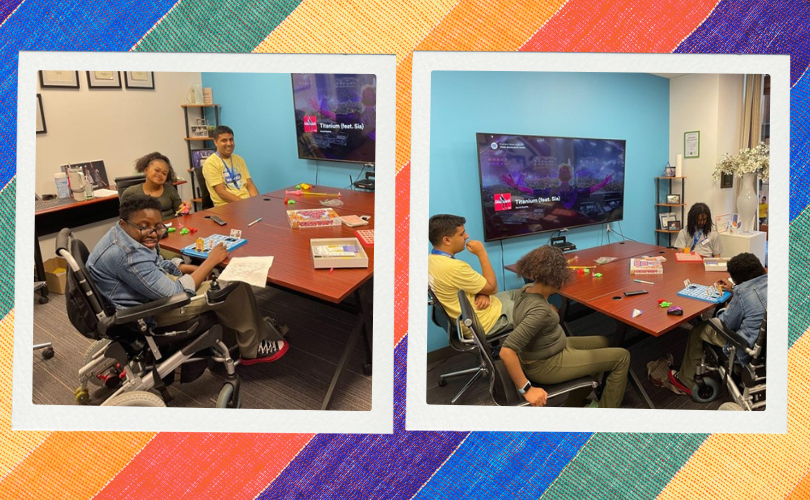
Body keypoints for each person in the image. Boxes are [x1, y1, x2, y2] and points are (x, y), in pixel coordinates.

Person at [87, 195, 287, 365]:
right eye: (144, 226)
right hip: (146, 313)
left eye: (157, 226)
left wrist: (194, 268)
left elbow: (157, 262)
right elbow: (176, 293)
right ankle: (251, 349)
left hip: (141, 295)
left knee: (221, 281)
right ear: (125, 223)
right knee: (233, 287)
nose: (153, 232)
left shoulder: (122, 233)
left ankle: (257, 329)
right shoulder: (127, 254)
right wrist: (209, 262)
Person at [500, 245, 630, 408]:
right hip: (545, 364)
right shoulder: (539, 311)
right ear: (558, 279)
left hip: (551, 347)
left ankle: (577, 402)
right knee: (622, 357)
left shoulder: (528, 289)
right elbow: (506, 351)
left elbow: (538, 311)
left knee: (602, 341)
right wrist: (527, 389)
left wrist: (549, 309)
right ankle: (604, 417)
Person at [668, 252, 767, 395]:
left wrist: (724, 308)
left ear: (738, 281)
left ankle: (685, 381)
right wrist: (734, 289)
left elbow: (726, 322)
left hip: (747, 350)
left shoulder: (742, 294)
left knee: (699, 329)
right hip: (768, 347)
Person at [428, 214, 518, 337]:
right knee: (545, 310)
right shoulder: (454, 267)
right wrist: (482, 253)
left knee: (526, 292)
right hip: (484, 322)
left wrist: (483, 292)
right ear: (446, 240)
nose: (467, 236)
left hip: (478, 308)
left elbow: (459, 287)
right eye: (461, 234)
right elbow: (492, 288)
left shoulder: (431, 260)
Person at [202, 125, 260, 206]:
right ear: (215, 142)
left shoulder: (239, 159)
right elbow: (222, 193)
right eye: (224, 140)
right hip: (227, 207)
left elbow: (250, 185)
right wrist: (246, 204)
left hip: (246, 203)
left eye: (231, 139)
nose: (229, 143)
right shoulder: (211, 163)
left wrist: (256, 201)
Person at [121, 152, 188, 220]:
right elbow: (125, 220)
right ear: (146, 170)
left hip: (172, 228)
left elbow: (180, 214)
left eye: (164, 173)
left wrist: (185, 209)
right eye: (157, 170)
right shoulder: (131, 192)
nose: (160, 174)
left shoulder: (170, 190)